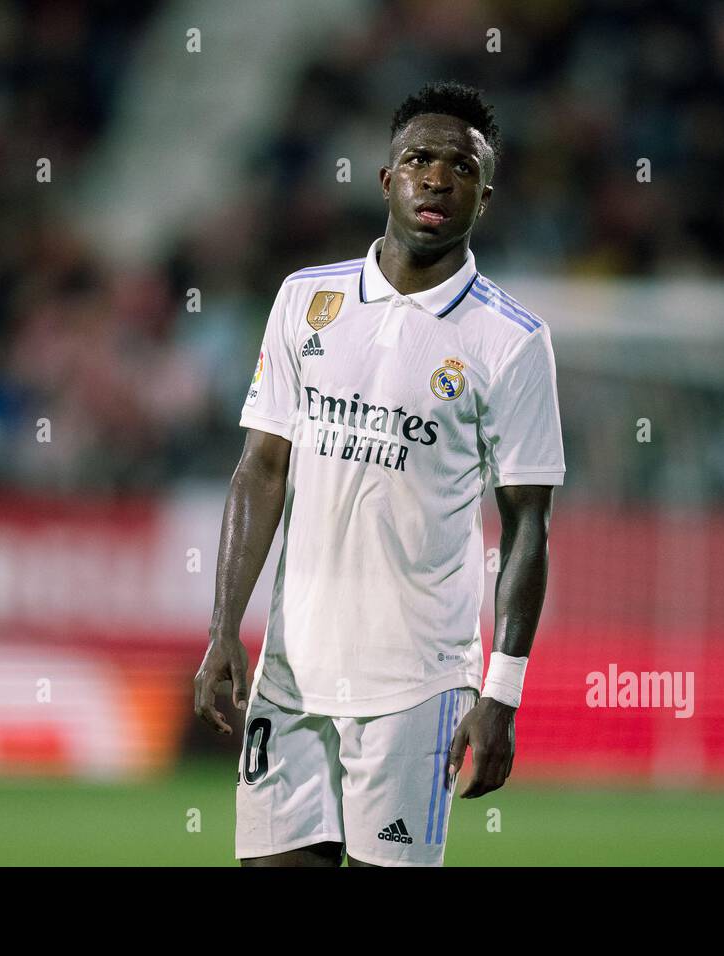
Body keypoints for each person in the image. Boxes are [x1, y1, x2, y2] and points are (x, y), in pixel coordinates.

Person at [194, 80, 566, 867]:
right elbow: (261, 468)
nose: (437, 178)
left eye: (460, 168)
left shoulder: (512, 342)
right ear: (385, 178)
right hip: (292, 675)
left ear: (485, 196)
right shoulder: (307, 301)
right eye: (418, 160)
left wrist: (502, 694)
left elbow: (528, 522)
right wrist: (225, 626)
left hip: (414, 685)